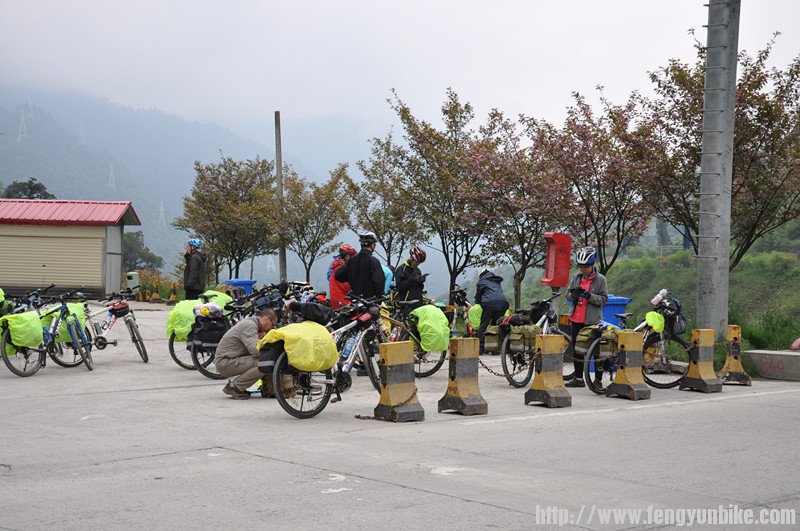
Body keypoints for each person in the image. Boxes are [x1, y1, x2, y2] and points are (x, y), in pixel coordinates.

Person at [565, 246, 608, 388]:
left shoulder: (600, 279)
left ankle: (598, 380)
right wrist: (573, 295)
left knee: (596, 351)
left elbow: (604, 299)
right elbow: (567, 295)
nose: (583, 270)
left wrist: (589, 296)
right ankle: (578, 379)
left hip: (592, 320)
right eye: (581, 267)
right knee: (577, 350)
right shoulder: (576, 278)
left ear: (592, 265)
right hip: (576, 319)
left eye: (586, 267)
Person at [216, 308, 278, 399]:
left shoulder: (253, 324)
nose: (272, 328)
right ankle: (235, 387)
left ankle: (268, 388)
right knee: (265, 363)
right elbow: (255, 349)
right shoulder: (249, 325)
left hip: (230, 359)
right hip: (225, 362)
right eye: (273, 324)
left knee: (266, 360)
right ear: (267, 319)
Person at [334, 231, 385, 299]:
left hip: (355, 299)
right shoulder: (374, 261)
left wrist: (351, 278)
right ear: (372, 245)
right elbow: (379, 282)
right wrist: (380, 295)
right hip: (369, 300)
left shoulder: (351, 260)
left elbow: (338, 274)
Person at [475, 268, 509, 355]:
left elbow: (478, 296)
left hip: (489, 304)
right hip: (503, 303)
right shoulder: (496, 281)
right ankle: (495, 349)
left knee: (484, 325)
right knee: (496, 326)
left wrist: (478, 303)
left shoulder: (481, 282)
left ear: (481, 275)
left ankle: (480, 348)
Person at [328, 244, 357, 309]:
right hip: (342, 302)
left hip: (339, 300)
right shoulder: (339, 269)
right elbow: (347, 287)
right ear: (347, 257)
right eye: (353, 256)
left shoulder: (339, 266)